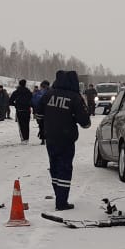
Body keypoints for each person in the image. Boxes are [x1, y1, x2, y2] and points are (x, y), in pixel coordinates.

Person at [42, 70, 92, 210]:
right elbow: (85, 122)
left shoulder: (49, 94)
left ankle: (59, 194)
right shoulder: (75, 97)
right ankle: (61, 201)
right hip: (66, 139)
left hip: (50, 138)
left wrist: (44, 126)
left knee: (55, 167)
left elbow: (39, 110)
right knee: (65, 168)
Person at [10, 79, 33, 143]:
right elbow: (32, 101)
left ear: (19, 84)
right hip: (27, 110)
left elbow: (10, 101)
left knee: (21, 125)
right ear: (25, 84)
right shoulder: (29, 92)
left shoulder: (16, 92)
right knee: (26, 124)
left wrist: (15, 105)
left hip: (19, 110)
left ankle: (23, 139)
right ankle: (27, 138)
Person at [31, 79, 51, 145]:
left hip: (39, 112)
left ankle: (43, 139)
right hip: (49, 112)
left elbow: (33, 102)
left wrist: (35, 110)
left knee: (41, 126)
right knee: (49, 126)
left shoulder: (37, 93)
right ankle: (48, 138)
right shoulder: (52, 92)